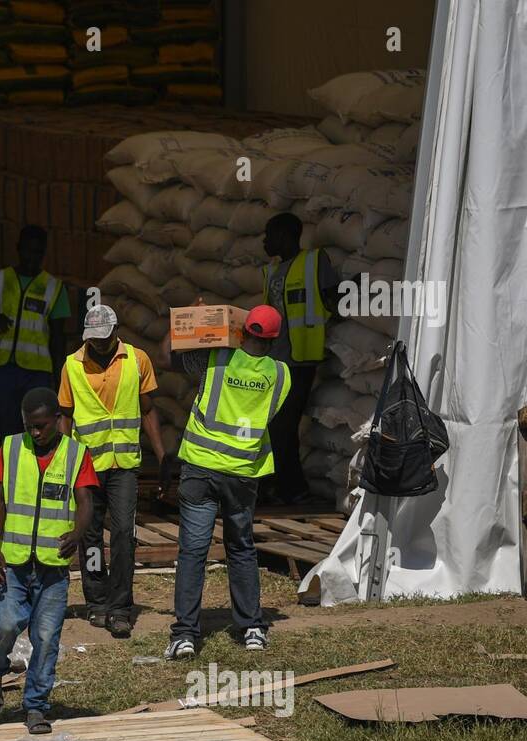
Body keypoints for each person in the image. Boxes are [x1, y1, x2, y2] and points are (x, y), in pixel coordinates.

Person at [167, 305, 291, 660]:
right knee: (241, 547)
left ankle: (185, 635)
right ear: (273, 339)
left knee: (193, 552)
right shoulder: (282, 375)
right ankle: (251, 627)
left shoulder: (217, 357)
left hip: (201, 468)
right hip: (242, 474)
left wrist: (194, 319)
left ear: (242, 331)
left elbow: (170, 355)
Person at [0, 387, 95, 733]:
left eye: (42, 426)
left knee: (46, 638)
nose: (35, 432)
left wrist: (78, 533)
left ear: (58, 420)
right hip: (13, 563)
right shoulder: (13, 448)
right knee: (4, 625)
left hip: (53, 569)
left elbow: (85, 499)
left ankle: (36, 707)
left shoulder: (76, 454)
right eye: (30, 425)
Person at [57, 304, 168, 638]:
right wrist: (65, 459)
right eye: (93, 340)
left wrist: (162, 456)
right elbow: (65, 414)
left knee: (122, 535)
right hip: (87, 467)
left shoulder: (137, 360)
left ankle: (121, 607)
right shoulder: (72, 365)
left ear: (116, 332)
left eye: (104, 339)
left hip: (124, 467)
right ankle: (97, 602)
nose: (99, 346)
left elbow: (148, 410)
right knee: (89, 536)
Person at [260, 212, 342, 503]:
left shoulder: (313, 262)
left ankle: (294, 490)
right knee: (269, 425)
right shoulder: (271, 271)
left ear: (284, 235)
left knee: (283, 425)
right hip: (272, 361)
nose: (264, 241)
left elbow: (333, 299)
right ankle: (273, 485)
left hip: (299, 360)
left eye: (268, 234)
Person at [0, 226, 71, 438]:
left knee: (38, 431)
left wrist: (59, 378)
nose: (32, 257)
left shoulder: (54, 287)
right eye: (28, 250)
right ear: (18, 249)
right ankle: (9, 469)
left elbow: (58, 337)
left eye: (37, 252)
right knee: (6, 429)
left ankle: (34, 471)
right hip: (4, 369)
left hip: (37, 373)